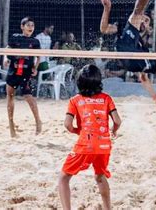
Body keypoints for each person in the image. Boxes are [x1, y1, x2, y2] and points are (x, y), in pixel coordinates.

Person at [98, 0, 156, 113]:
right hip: (123, 50)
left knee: (151, 69)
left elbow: (143, 78)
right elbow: (104, 29)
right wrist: (107, 8)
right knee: (136, 13)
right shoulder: (124, 26)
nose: (145, 22)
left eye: (147, 22)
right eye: (144, 19)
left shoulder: (142, 47)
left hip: (130, 59)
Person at [58, 64, 122, 210]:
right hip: (104, 145)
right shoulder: (106, 98)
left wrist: (77, 131)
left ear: (79, 82)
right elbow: (117, 121)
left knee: (63, 178)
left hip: (85, 144)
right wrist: (114, 131)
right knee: (100, 176)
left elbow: (67, 124)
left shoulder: (75, 100)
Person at [3, 17, 43, 137]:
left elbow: (39, 56)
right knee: (10, 96)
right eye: (28, 25)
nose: (31, 27)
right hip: (13, 72)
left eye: (33, 25)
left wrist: (35, 67)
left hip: (26, 72)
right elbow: (7, 50)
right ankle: (11, 125)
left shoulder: (35, 42)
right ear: (22, 26)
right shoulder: (15, 37)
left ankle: (38, 121)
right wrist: (5, 59)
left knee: (28, 97)